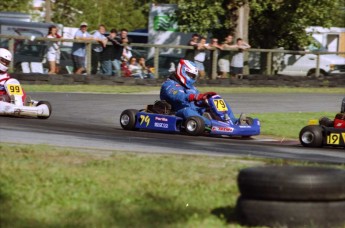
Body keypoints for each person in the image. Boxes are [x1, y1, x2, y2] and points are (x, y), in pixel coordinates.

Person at [160, 59, 216, 128]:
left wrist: (205, 100)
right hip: (178, 111)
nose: (191, 77)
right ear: (182, 71)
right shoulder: (169, 84)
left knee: (214, 102)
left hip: (194, 109)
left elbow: (198, 97)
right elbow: (179, 96)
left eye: (193, 76)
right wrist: (194, 97)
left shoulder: (191, 87)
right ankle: (212, 126)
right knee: (187, 111)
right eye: (190, 75)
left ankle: (231, 122)